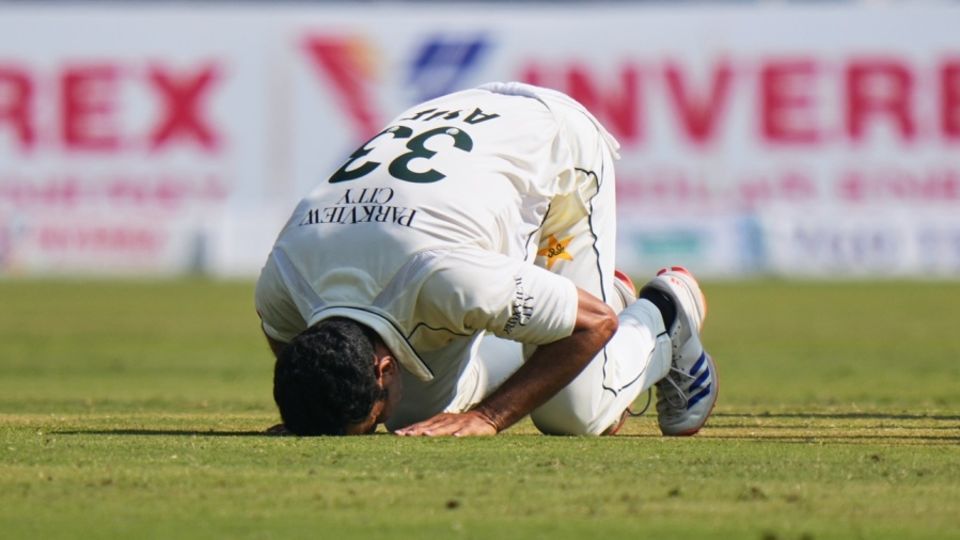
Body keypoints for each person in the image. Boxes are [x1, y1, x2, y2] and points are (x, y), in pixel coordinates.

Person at [255, 81, 717, 437]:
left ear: (384, 369)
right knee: (416, 415)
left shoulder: (448, 277)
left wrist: (488, 417)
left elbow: (594, 324)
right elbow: (298, 354)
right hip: (458, 122)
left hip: (558, 151)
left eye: (369, 421)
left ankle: (665, 313)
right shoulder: (283, 282)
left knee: (575, 411)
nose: (378, 427)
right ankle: (569, 300)